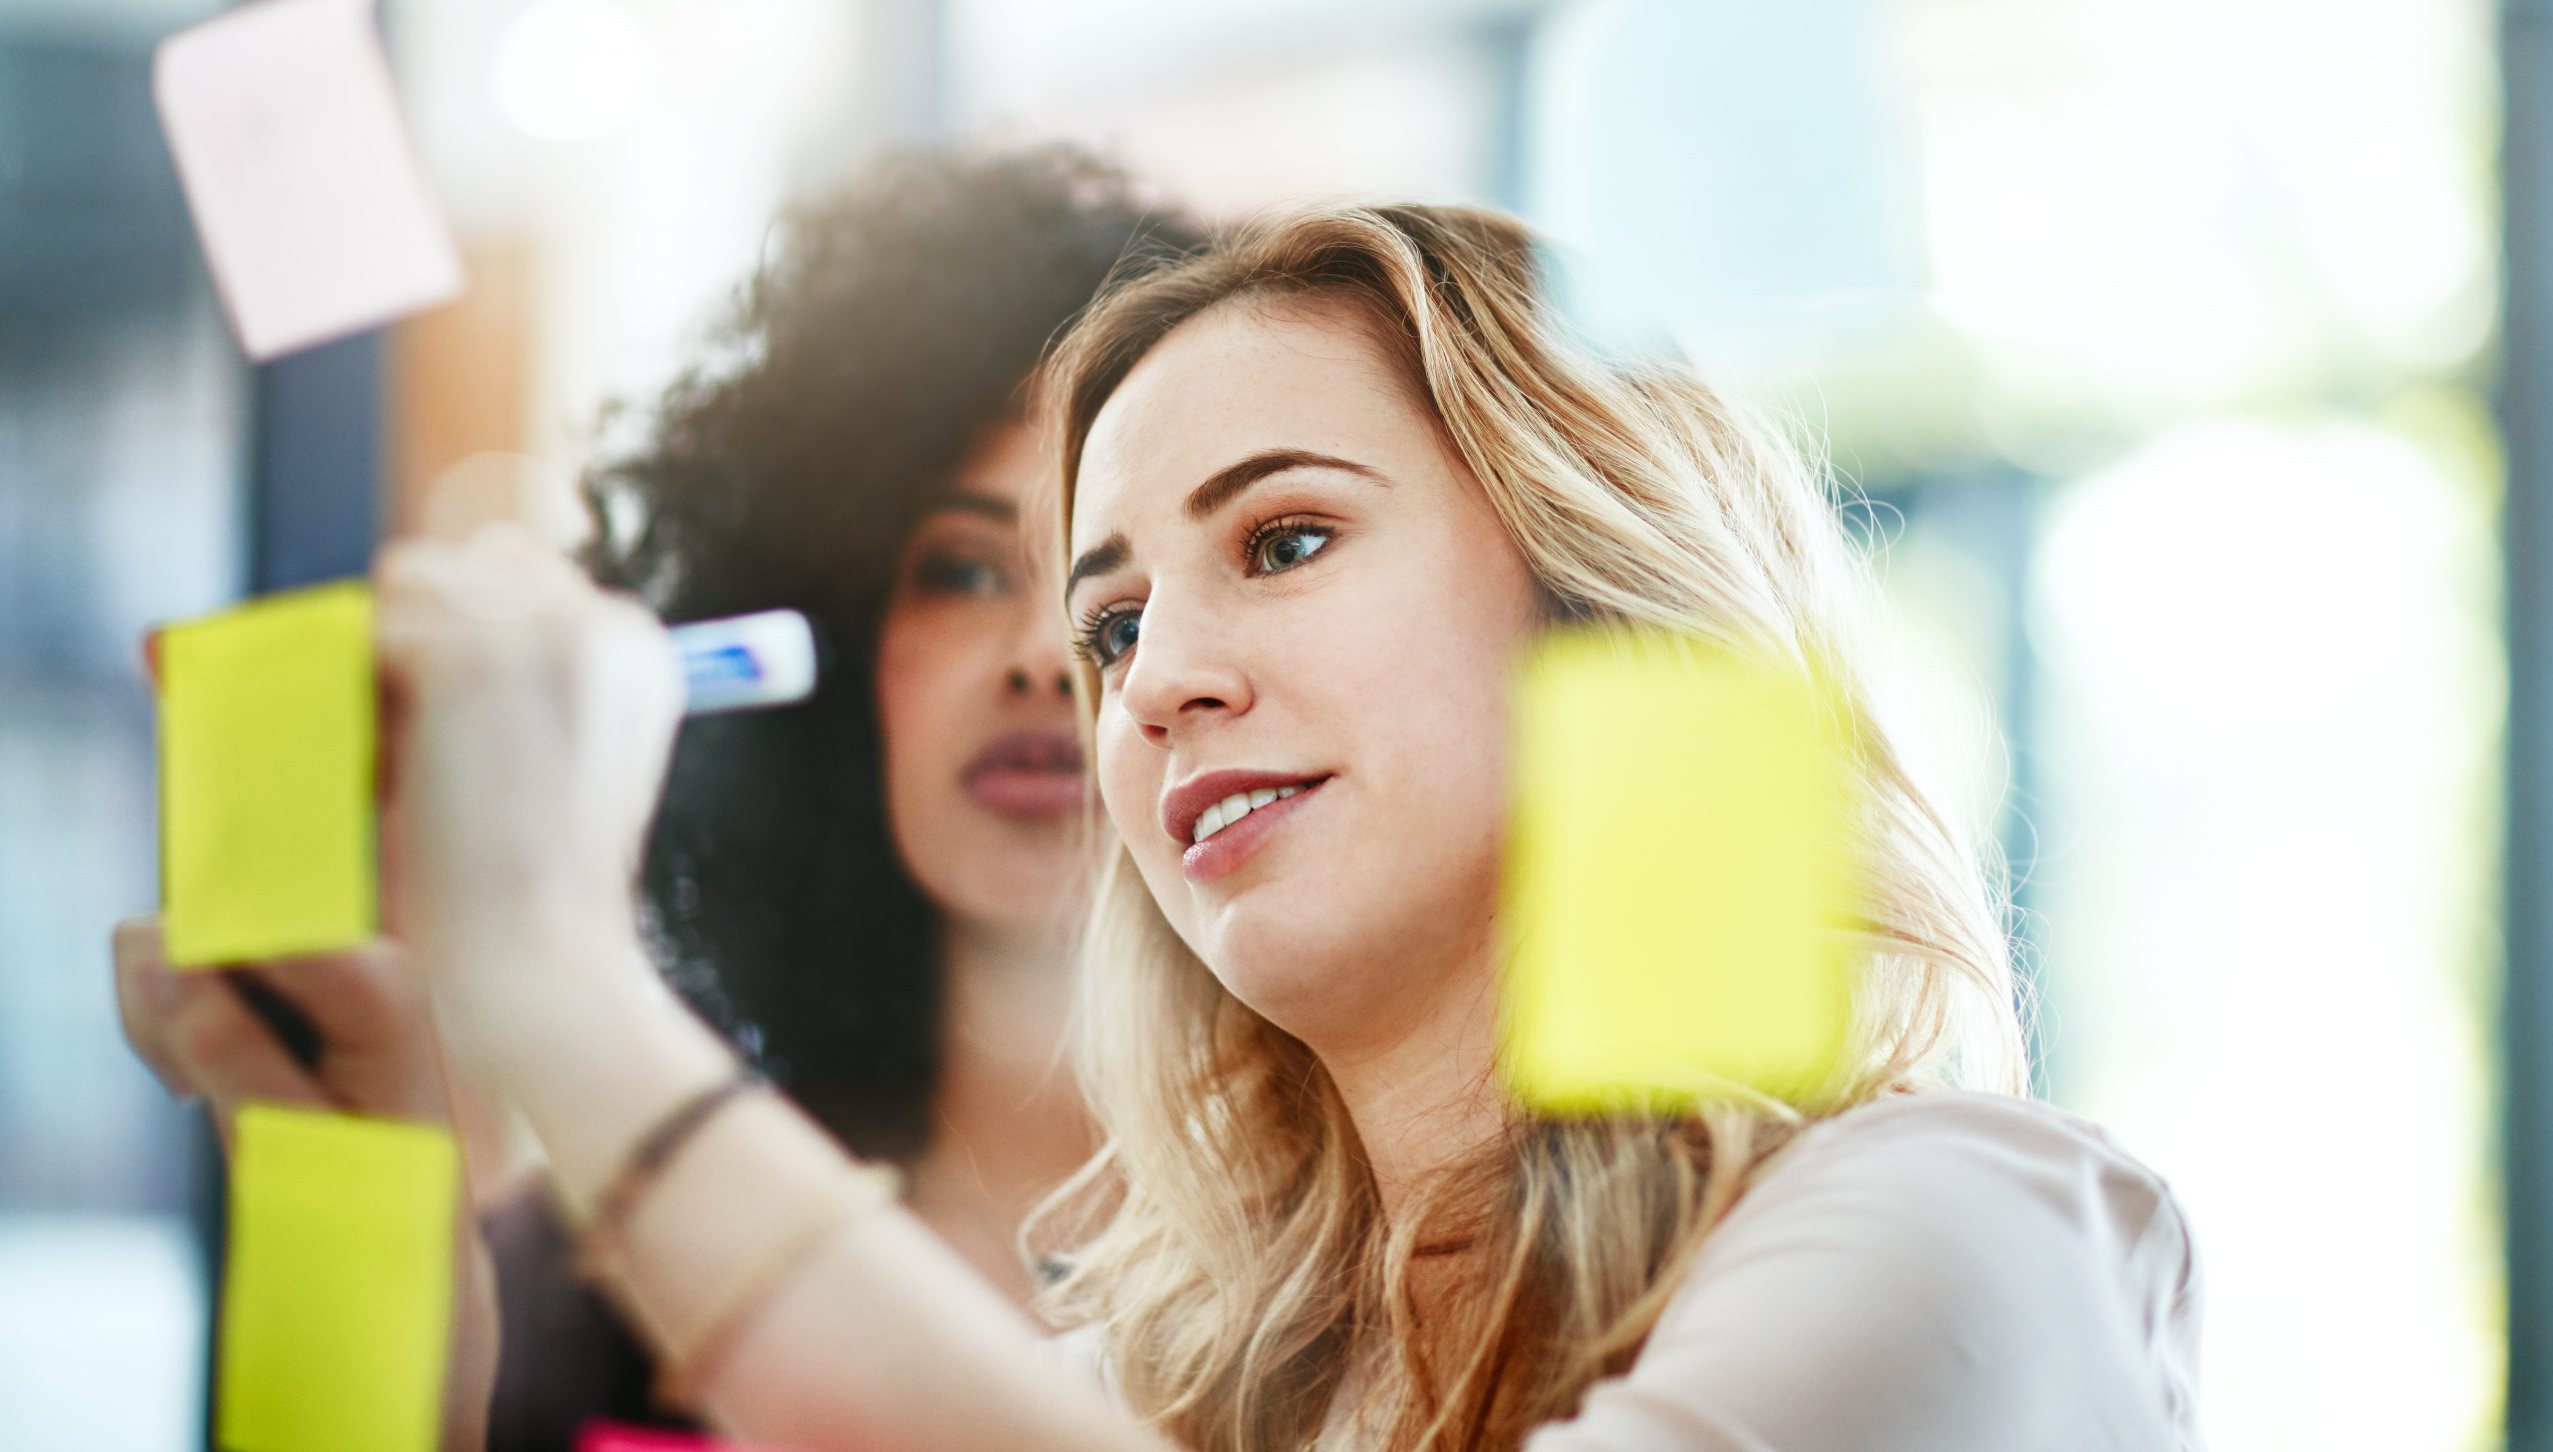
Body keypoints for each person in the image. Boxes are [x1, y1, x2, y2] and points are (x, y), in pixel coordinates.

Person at [250, 203, 2204, 1449]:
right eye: (1111, 619)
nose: (1141, 677)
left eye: (1280, 538)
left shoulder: (1958, 1231)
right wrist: (373, 1164)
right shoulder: (1173, 1394)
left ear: (1600, 607)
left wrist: (565, 986)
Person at [112, 146, 1211, 1448]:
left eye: (1119, 598)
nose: (1042, 652)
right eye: (961, 572)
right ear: (848, 640)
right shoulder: (588, 1270)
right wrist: (344, 1183)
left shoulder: (1398, 1261)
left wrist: (546, 962)